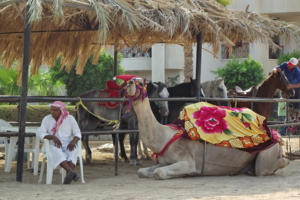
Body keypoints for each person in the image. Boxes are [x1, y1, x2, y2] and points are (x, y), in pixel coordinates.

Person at [38, 101, 81, 184]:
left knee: (74, 149)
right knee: (56, 149)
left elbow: (77, 133)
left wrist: (73, 142)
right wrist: (53, 137)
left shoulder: (70, 118)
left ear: (61, 111)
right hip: (52, 144)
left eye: (55, 110)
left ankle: (70, 174)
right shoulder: (47, 119)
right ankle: (71, 172)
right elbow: (41, 133)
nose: (52, 112)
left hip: (68, 143)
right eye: (51, 110)